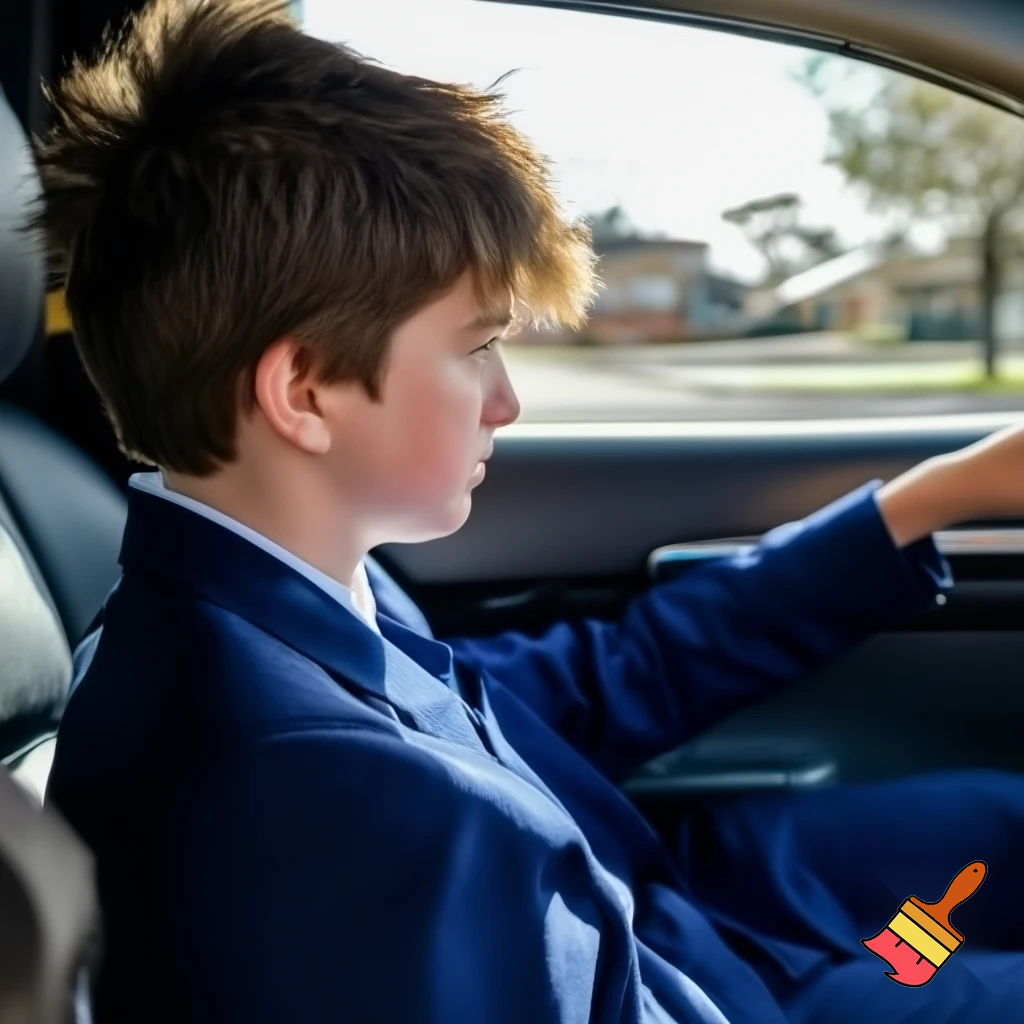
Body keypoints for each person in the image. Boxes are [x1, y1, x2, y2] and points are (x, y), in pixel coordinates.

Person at [35, 1, 1024, 1020]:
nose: (505, 400)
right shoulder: (328, 795)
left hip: (686, 921)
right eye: (475, 346)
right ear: (304, 394)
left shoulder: (299, 588)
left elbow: (590, 690)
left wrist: (946, 494)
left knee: (1005, 823)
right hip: (713, 987)